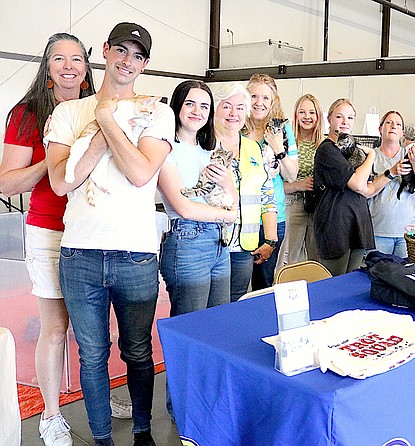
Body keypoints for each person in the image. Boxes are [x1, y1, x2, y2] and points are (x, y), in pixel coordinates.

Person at [45, 22, 174, 446]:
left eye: (137, 55)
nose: (127, 61)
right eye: (120, 50)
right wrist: (105, 120)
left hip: (135, 254)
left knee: (137, 351)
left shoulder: (157, 111)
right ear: (105, 51)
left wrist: (108, 117)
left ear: (145, 64)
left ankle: (141, 432)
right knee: (93, 354)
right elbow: (62, 183)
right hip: (79, 253)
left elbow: (140, 173)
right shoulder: (67, 113)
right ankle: (101, 438)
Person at [0, 32, 95, 446]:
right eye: (60, 58)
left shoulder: (98, 108)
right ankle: (51, 416)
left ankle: (98, 400)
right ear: (48, 66)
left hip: (94, 229)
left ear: (88, 67)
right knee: (55, 328)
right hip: (50, 229)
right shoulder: (28, 113)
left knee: (94, 328)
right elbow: (6, 182)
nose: (69, 66)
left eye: (77, 58)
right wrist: (52, 161)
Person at [157, 80, 238, 417]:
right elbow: (184, 207)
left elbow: (231, 197)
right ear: (177, 106)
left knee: (217, 329)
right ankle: (182, 409)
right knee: (189, 332)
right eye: (190, 104)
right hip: (187, 241)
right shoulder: (163, 149)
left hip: (218, 243)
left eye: (204, 106)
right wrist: (228, 213)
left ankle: (208, 402)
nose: (197, 112)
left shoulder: (212, 151)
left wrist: (226, 191)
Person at [212, 83, 278, 301]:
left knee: (235, 303)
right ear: (215, 108)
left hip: (243, 247)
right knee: (209, 309)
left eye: (240, 108)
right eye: (227, 106)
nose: (234, 113)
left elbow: (267, 197)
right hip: (211, 245)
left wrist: (270, 240)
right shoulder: (204, 145)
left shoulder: (253, 148)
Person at [243, 74, 297, 289]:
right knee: (233, 282)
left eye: (265, 98)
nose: (259, 102)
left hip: (272, 219)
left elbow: (292, 175)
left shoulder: (283, 131)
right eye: (254, 96)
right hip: (240, 216)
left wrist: (278, 149)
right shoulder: (237, 128)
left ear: (273, 101)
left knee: (263, 282)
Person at [313, 98, 377, 275]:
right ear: (329, 119)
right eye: (339, 116)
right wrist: (372, 155)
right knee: (335, 282)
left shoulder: (352, 149)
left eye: (349, 118)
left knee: (352, 282)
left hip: (357, 222)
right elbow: (357, 182)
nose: (344, 122)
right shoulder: (327, 150)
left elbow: (365, 187)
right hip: (336, 224)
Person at [367, 110, 415, 258]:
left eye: (398, 124)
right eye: (389, 122)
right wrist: (392, 172)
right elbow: (365, 191)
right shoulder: (371, 156)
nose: (393, 126)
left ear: (402, 133)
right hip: (378, 230)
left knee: (404, 277)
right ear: (380, 129)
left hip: (408, 233)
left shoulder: (411, 156)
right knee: (378, 275)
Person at [280, 93, 323, 265]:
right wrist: (299, 185)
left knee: (316, 259)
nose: (307, 117)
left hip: (317, 207)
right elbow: (274, 184)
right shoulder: (287, 143)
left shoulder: (324, 144)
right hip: (292, 204)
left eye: (312, 112)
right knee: (290, 258)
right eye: (302, 112)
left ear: (318, 116)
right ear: (295, 115)